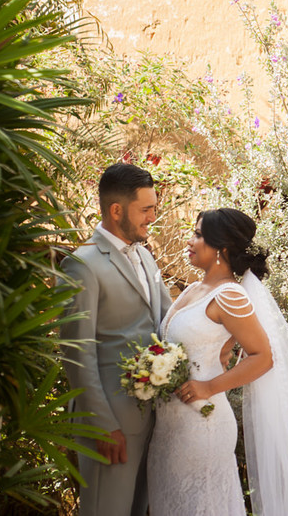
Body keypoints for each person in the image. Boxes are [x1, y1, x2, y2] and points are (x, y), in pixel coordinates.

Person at [147, 207, 288, 516]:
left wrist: (208, 386)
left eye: (199, 235)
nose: (190, 240)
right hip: (169, 427)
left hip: (202, 426)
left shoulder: (229, 296)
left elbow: (264, 357)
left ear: (221, 249)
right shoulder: (197, 289)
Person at [60, 163, 173, 516]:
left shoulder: (146, 257)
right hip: (111, 424)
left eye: (154, 207)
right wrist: (104, 425)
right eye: (146, 209)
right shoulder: (82, 265)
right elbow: (76, 353)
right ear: (115, 210)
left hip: (150, 417)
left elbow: (167, 320)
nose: (152, 217)